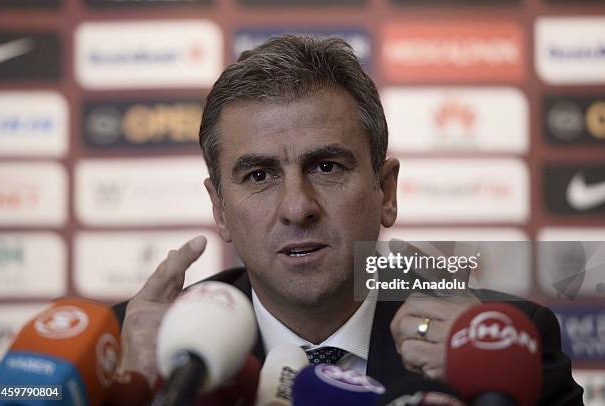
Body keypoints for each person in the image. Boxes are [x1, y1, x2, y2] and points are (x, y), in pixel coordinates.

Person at [113, 35, 583, 404]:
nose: (297, 208)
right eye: (259, 175)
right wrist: (134, 396)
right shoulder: (126, 354)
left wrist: (486, 393)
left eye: (326, 167)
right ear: (220, 209)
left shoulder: (503, 347)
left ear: (387, 192)